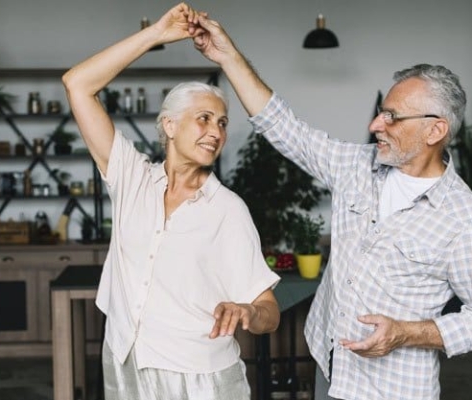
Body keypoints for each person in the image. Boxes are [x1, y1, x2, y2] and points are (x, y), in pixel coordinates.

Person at [187, 9, 472, 400]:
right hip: (331, 368)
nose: (376, 125)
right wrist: (227, 56)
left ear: (435, 130)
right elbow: (282, 125)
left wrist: (407, 333)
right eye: (380, 113)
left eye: (392, 117)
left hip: (396, 388)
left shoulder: (461, 215)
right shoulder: (356, 166)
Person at [61, 4, 281, 400]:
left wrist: (249, 312)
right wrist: (155, 35)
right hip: (126, 360)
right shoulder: (133, 179)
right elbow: (78, 84)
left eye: (222, 123)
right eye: (204, 118)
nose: (216, 131)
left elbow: (269, 309)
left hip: (198, 377)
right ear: (169, 125)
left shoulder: (228, 209)